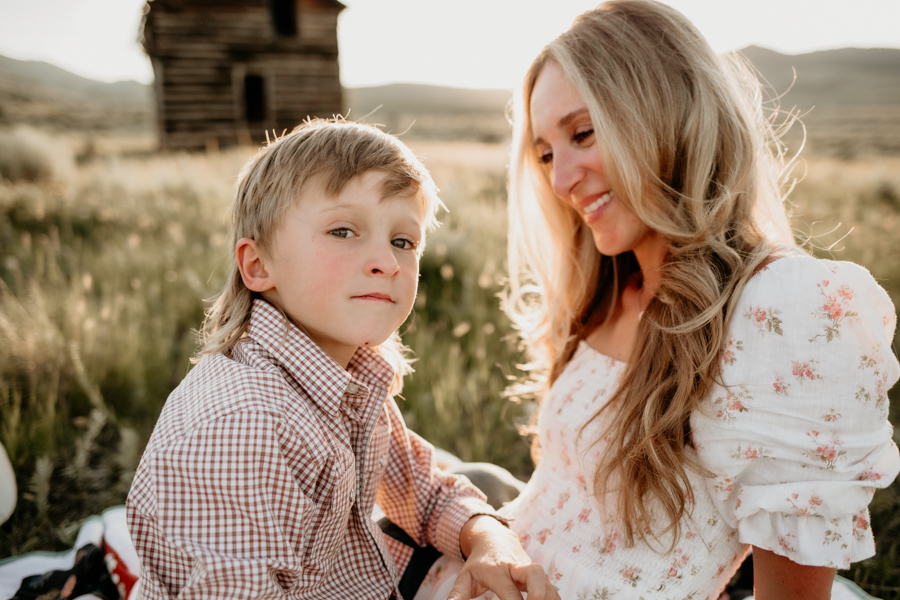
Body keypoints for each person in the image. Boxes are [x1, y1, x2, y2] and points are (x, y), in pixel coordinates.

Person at [415, 2, 899, 599]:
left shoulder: (781, 308)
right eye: (545, 153)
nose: (561, 178)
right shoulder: (609, 289)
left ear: (663, 115)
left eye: (583, 133)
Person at [126, 119, 559, 600]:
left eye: (402, 241)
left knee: (487, 487)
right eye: (343, 230)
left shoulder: (345, 374)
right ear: (258, 265)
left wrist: (488, 539)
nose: (388, 262)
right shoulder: (242, 424)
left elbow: (422, 489)